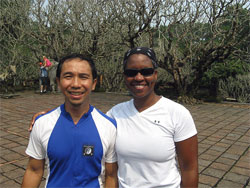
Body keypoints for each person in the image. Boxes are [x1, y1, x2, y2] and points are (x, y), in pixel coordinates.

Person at [29, 47, 198, 187]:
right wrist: (47, 118)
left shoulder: (177, 113)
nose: (139, 78)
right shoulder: (115, 115)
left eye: (146, 71)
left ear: (155, 74)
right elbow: (85, 119)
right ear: (125, 76)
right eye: (131, 72)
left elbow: (189, 168)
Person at [22, 54, 118, 188]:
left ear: (94, 83)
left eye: (83, 77)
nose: (76, 84)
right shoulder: (42, 123)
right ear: (58, 82)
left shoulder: (109, 126)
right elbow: (34, 170)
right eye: (68, 76)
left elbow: (111, 176)